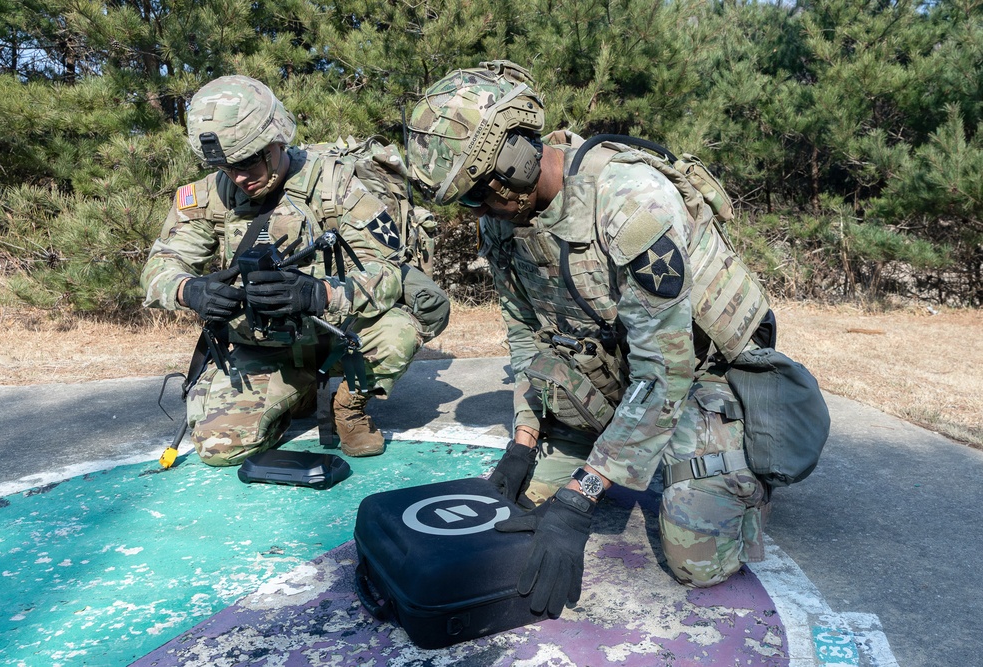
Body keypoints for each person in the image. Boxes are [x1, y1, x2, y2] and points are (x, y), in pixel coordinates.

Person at [406, 61, 775, 617]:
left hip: (702, 375)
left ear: (514, 159)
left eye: (477, 194)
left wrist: (582, 495)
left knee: (697, 563)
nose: (476, 212)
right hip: (621, 371)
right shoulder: (501, 218)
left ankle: (750, 458)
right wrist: (523, 440)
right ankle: (611, 451)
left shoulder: (631, 202)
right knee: (523, 506)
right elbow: (528, 339)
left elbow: (667, 369)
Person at [141, 75, 449, 466]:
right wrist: (191, 290)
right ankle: (297, 390)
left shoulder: (336, 184)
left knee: (398, 330)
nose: (238, 177)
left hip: (338, 338)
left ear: (277, 139)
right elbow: (160, 267)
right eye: (224, 165)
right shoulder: (207, 195)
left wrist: (319, 294)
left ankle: (349, 404)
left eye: (249, 160)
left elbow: (388, 271)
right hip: (266, 346)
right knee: (220, 448)